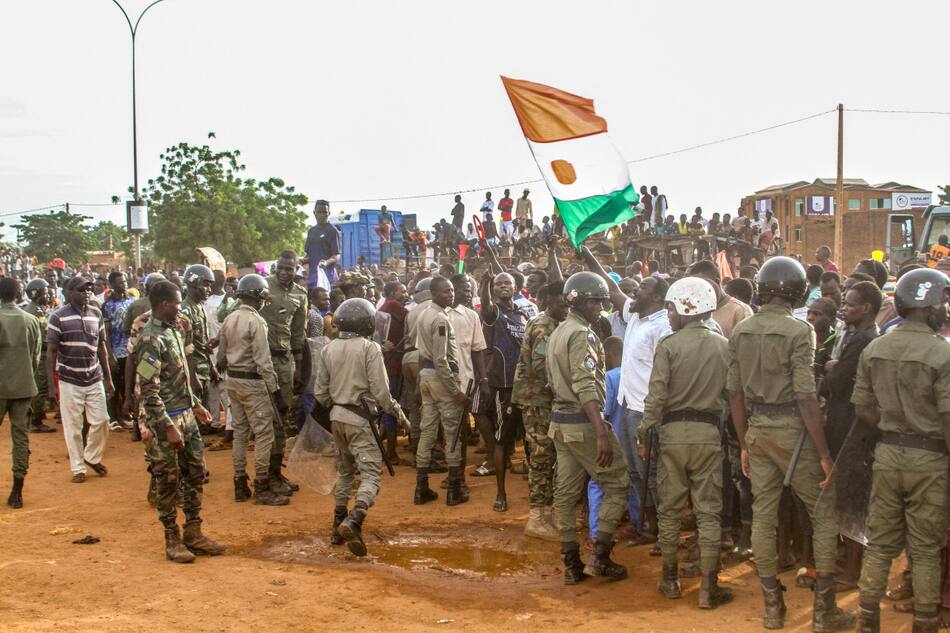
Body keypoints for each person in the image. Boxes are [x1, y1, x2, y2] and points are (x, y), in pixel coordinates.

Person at [727, 257, 853, 631]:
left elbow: (734, 394)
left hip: (758, 429)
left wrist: (744, 442)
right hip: (793, 430)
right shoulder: (800, 331)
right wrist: (825, 453)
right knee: (822, 510)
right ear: (798, 291)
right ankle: (824, 609)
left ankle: (771, 604)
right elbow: (804, 395)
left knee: (764, 515)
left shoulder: (742, 330)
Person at [852, 268, 950, 633]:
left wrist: (894, 427)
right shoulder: (943, 354)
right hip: (931, 459)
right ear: (930, 305)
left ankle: (867, 622)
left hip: (888, 455)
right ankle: (924, 623)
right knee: (925, 549)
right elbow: (948, 417)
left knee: (879, 544)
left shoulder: (876, 347)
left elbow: (862, 408)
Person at [640, 277, 733, 609]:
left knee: (669, 512)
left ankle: (670, 579)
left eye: (670, 307)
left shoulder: (669, 345)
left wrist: (644, 434)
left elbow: (657, 397)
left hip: (673, 437)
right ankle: (709, 588)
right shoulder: (724, 346)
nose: (668, 314)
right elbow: (731, 394)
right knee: (709, 513)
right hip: (709, 436)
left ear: (686, 307)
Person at [582, 246, 670, 543]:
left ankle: (660, 531)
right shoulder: (635, 317)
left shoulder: (663, 327)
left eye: (643, 287)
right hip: (628, 408)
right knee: (635, 471)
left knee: (651, 473)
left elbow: (665, 374)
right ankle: (645, 525)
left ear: (656, 297)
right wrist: (590, 258)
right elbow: (611, 286)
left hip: (647, 411)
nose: (635, 292)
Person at [547, 271, 629, 584]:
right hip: (583, 423)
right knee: (618, 482)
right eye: (595, 301)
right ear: (580, 300)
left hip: (561, 423)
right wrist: (600, 432)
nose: (601, 308)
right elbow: (585, 384)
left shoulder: (560, 331)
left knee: (565, 496)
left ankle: (571, 565)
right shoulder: (582, 334)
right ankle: (600, 556)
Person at [136, 280, 226, 563]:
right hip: (167, 423)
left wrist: (196, 405)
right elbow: (148, 388)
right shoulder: (151, 339)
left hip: (186, 416)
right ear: (163, 304)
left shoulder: (174, 330)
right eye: (176, 302)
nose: (179, 306)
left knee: (196, 473)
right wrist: (167, 426)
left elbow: (179, 377)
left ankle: (194, 531)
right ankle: (171, 539)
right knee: (168, 482)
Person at [316, 298, 409, 557]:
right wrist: (399, 414)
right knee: (371, 476)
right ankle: (354, 520)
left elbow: (321, 393)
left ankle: (337, 526)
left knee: (345, 472)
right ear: (367, 323)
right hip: (361, 420)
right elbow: (381, 393)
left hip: (337, 417)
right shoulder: (370, 348)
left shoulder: (328, 349)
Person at [817, 280, 881, 592]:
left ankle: (854, 570)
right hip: (847, 422)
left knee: (852, 500)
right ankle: (851, 562)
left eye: (851, 304)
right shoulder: (855, 335)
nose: (844, 308)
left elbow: (837, 381)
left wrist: (831, 367)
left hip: (853, 428)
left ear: (867, 308)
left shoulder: (864, 339)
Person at [214, 274, 288, 506]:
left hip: (232, 381)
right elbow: (263, 361)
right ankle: (262, 486)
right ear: (259, 297)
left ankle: (239, 482)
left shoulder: (229, 318)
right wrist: (275, 391)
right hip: (253, 382)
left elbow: (221, 357)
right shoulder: (256, 322)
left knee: (240, 432)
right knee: (264, 434)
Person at [511, 280, 568, 541]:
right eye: (561, 304)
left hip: (542, 400)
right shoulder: (544, 326)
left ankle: (548, 514)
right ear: (548, 303)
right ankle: (536, 518)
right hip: (538, 401)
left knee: (549, 456)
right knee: (542, 456)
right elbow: (543, 367)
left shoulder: (551, 322)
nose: (566, 308)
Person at [47, 275, 115, 483]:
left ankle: (91, 457)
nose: (86, 293)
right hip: (69, 378)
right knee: (73, 426)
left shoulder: (96, 314)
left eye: (88, 289)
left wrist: (108, 378)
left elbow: (101, 347)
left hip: (94, 376)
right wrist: (52, 386)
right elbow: (51, 353)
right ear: (69, 293)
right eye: (81, 290)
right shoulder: (57, 317)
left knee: (102, 420)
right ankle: (78, 468)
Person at [412, 276, 469, 506]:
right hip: (440, 378)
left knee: (427, 430)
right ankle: (454, 490)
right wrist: (455, 391)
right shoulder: (440, 319)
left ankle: (421, 488)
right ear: (434, 294)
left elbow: (421, 353)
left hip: (426, 377)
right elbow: (441, 360)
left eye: (452, 290)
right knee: (452, 432)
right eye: (446, 292)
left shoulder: (424, 313)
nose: (451, 294)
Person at [260, 251, 308, 494]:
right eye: (281, 267)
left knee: (283, 414)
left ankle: (276, 472)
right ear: (275, 267)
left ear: (296, 269)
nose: (285, 272)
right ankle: (266, 475)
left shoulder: (301, 295)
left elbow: (299, 335)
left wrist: (298, 368)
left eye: (290, 268)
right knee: (268, 419)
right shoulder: (262, 287)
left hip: (286, 361)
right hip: (263, 360)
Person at [0, 277, 42, 508]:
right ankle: (17, 491)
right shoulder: (31, 320)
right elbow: (36, 357)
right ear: (19, 295)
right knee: (20, 438)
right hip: (24, 387)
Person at [179, 264, 218, 432]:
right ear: (194, 283)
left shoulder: (201, 307)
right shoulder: (184, 311)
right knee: (192, 418)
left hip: (203, 368)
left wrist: (212, 368)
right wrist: (192, 378)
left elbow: (202, 343)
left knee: (203, 419)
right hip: (192, 371)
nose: (209, 289)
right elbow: (184, 349)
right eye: (206, 284)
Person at [101, 271, 135, 432]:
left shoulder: (131, 302)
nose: (124, 284)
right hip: (115, 350)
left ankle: (125, 414)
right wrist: (110, 355)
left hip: (129, 351)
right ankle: (113, 418)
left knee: (127, 385)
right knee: (113, 385)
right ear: (112, 285)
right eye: (120, 282)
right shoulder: (107, 305)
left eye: (125, 281)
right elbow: (105, 333)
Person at [21, 278, 55, 433]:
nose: (48, 296)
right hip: (39, 354)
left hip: (42, 352)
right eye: (45, 293)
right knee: (39, 387)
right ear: (35, 294)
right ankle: (36, 421)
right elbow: (41, 335)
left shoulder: (39, 309)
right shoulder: (33, 311)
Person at [204, 270, 231, 439]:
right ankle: (216, 423)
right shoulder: (229, 302)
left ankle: (228, 425)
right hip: (213, 350)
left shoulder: (226, 303)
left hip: (217, 350)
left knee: (222, 388)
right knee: (214, 388)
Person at [305, 200, 341, 289]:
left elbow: (336, 255)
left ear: (329, 213)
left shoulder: (332, 230)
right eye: (319, 212)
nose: (322, 215)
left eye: (324, 212)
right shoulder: (311, 231)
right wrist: (301, 261)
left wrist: (326, 262)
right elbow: (309, 255)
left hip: (327, 279)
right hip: (312, 279)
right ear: (314, 213)